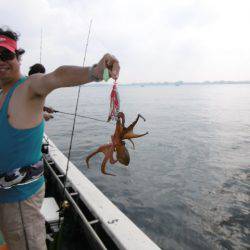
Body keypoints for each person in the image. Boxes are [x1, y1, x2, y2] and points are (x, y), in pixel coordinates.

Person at [0, 27, 120, 250]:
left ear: (17, 56)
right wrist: (43, 114)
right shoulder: (3, 93)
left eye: (5, 54)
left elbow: (57, 76)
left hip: (19, 200)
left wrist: (96, 71)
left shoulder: (29, 85)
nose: (0, 61)